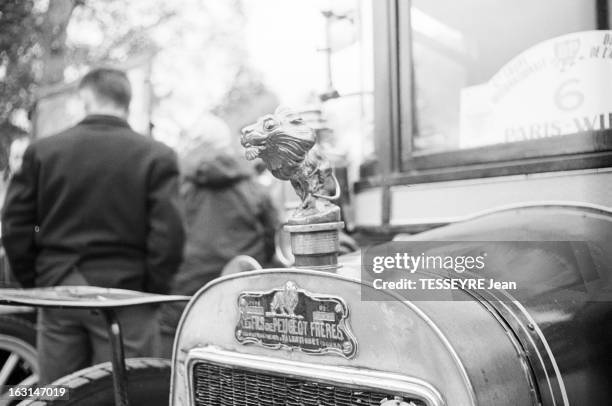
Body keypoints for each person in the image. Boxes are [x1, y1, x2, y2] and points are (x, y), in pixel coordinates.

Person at [1, 67, 185, 383]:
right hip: (127, 295)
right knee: (129, 394)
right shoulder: (157, 156)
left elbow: (16, 225)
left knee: (58, 392)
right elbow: (170, 235)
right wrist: (150, 290)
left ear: (85, 98)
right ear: (126, 102)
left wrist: (37, 280)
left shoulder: (43, 152)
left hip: (59, 291)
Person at [159, 116, 278, 356]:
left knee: (171, 370)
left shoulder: (176, 189)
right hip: (240, 302)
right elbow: (271, 242)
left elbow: (163, 240)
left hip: (183, 302)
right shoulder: (253, 187)